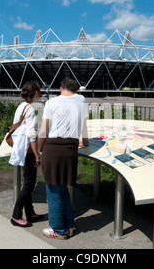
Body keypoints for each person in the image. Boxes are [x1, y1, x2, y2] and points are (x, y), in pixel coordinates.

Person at [38, 78, 89, 239]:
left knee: (53, 192)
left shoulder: (51, 103)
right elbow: (84, 125)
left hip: (53, 148)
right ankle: (69, 225)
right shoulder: (82, 100)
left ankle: (58, 230)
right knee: (63, 190)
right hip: (71, 148)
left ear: (61, 89)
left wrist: (39, 148)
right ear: (76, 89)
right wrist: (85, 142)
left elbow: (43, 130)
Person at [9, 82, 44, 227]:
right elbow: (31, 134)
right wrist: (36, 155)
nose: (40, 93)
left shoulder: (21, 106)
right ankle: (16, 216)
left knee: (28, 182)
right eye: (39, 91)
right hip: (28, 149)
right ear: (35, 92)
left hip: (21, 147)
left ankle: (30, 213)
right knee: (29, 184)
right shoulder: (29, 108)